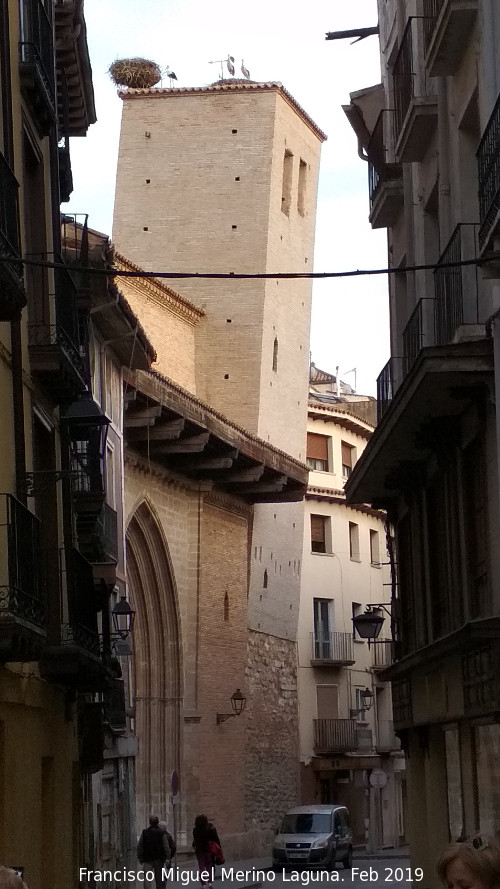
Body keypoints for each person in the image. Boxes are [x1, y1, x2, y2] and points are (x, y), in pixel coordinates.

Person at [137, 815, 171, 889]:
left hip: (147, 859)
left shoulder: (144, 832)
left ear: (150, 822)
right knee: (159, 879)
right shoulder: (161, 833)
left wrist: (140, 858)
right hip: (159, 859)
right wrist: (167, 858)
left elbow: (140, 846)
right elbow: (166, 846)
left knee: (147, 879)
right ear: (157, 822)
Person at [192, 814, 221, 888]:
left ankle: (203, 884)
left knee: (201, 867)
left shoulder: (195, 830)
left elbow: (195, 840)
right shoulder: (209, 829)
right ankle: (210, 883)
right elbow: (214, 839)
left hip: (199, 851)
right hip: (208, 850)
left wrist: (194, 846)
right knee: (209, 866)